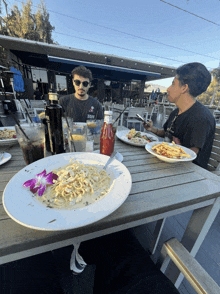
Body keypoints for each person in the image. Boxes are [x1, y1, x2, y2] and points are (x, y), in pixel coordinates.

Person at [144, 62, 216, 170]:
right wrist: (153, 129)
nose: (168, 89)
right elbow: (167, 132)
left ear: (184, 88)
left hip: (188, 173)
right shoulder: (176, 112)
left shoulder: (200, 118)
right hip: (168, 165)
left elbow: (189, 157)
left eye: (173, 84)